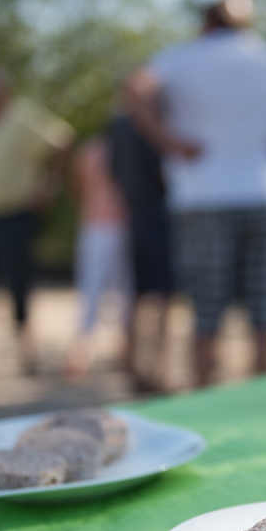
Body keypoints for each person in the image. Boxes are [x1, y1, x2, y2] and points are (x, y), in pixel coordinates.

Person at [128, 0, 266, 387]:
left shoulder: (181, 58)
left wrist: (168, 141)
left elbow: (135, 89)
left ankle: (207, 413)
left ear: (207, 23)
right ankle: (263, 419)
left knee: (206, 316)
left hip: (201, 198)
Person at [0, 70, 74, 378]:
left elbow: (62, 140)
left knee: (19, 282)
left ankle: (28, 351)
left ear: (3, 94)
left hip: (13, 215)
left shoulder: (23, 115)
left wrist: (48, 185)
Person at [106, 82, 172, 392]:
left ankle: (133, 361)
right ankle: (156, 367)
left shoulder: (117, 125)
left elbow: (113, 171)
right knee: (161, 295)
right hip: (159, 214)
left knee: (135, 292)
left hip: (133, 213)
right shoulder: (154, 124)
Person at [62, 136, 134, 381]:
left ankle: (84, 351)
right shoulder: (127, 147)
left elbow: (77, 191)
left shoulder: (89, 151)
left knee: (93, 288)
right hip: (118, 225)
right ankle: (123, 350)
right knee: (123, 289)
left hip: (96, 226)